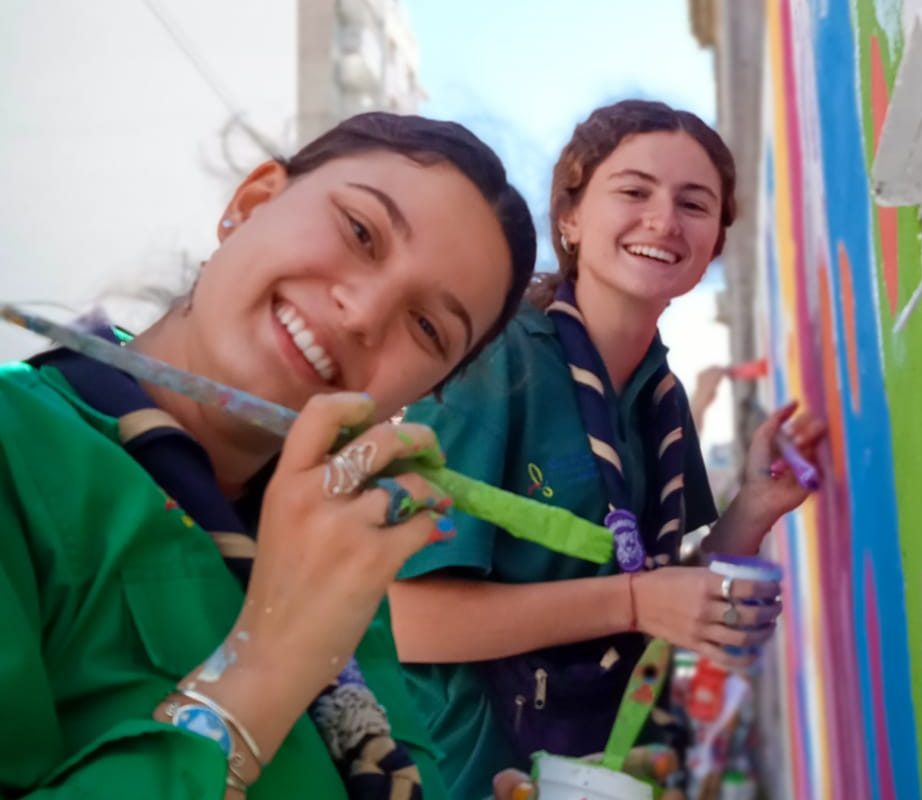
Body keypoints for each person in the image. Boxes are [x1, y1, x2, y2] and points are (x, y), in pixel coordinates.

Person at [0, 112, 536, 799]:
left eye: (428, 327)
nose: (363, 314)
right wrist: (270, 657)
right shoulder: (19, 447)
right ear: (251, 204)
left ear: (422, 391)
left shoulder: (342, 537)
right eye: (361, 232)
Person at [389, 99, 826, 798]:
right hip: (468, 772)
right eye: (633, 191)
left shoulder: (663, 398)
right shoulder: (498, 367)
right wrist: (632, 602)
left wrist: (754, 507)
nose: (664, 220)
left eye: (694, 203)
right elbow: (409, 623)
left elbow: (658, 591)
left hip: (602, 768)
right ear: (569, 218)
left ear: (714, 243)